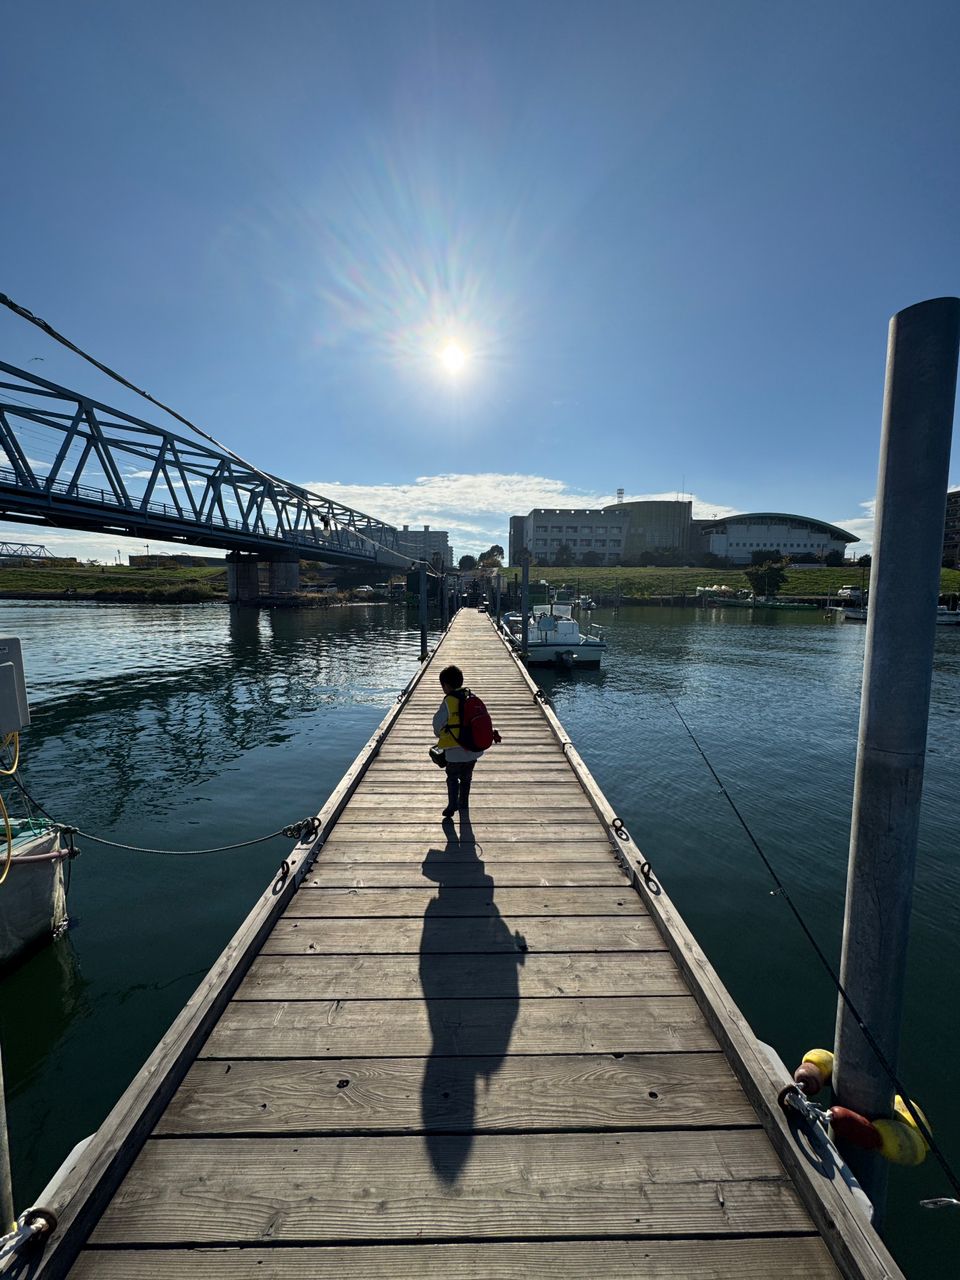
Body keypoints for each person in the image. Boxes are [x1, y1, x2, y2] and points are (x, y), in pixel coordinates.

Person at [432, 664, 483, 819]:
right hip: (473, 750)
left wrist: (439, 734)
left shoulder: (448, 702)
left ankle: (452, 803)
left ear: (446, 686)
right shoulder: (471, 697)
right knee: (466, 779)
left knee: (452, 778)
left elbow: (437, 724)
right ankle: (464, 803)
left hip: (453, 753)